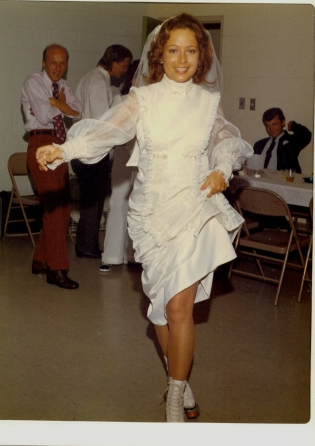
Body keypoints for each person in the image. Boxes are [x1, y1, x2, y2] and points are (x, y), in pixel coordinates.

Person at [36, 14, 253, 421]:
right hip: (152, 215)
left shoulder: (208, 103)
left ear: (201, 56)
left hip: (194, 209)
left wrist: (221, 168)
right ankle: (182, 381)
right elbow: (107, 129)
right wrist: (63, 151)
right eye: (173, 50)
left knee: (179, 310)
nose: (182, 59)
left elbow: (226, 138)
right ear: (160, 54)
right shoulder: (143, 99)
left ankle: (173, 399)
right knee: (160, 311)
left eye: (191, 50)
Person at [21, 43, 82, 289]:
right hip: (40, 143)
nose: (58, 68)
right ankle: (56, 269)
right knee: (55, 209)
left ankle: (40, 260)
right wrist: (59, 105)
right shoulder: (33, 81)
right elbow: (45, 118)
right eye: (53, 62)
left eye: (62, 63)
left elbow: (78, 112)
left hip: (60, 145)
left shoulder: (63, 87)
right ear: (43, 62)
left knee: (63, 207)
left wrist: (55, 102)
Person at [72, 45, 133, 259]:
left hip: (85, 149)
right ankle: (87, 246)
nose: (125, 70)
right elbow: (101, 121)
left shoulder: (90, 78)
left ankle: (86, 244)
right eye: (124, 65)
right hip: (91, 151)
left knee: (93, 199)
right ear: (113, 61)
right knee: (93, 200)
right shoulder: (98, 82)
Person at [99, 60, 140, 273]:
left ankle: (132, 255)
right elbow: (111, 131)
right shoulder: (120, 100)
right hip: (124, 157)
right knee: (118, 203)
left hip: (143, 160)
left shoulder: (152, 102)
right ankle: (112, 255)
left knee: (137, 206)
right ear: (132, 78)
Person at [253, 107, 311, 174]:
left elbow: (307, 135)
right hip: (260, 181)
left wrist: (293, 126)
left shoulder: (292, 142)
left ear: (283, 122)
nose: (271, 129)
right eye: (267, 126)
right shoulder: (259, 144)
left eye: (274, 124)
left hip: (283, 181)